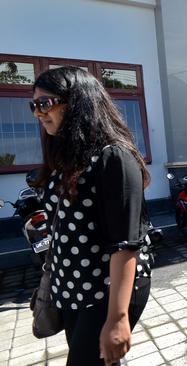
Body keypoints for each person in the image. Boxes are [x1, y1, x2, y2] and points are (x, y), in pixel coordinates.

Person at [32, 66, 152, 365]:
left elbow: (125, 244)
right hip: (72, 289)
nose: (37, 112)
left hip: (106, 292)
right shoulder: (66, 157)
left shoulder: (114, 157)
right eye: (33, 105)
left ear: (77, 102)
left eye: (45, 103)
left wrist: (118, 318)